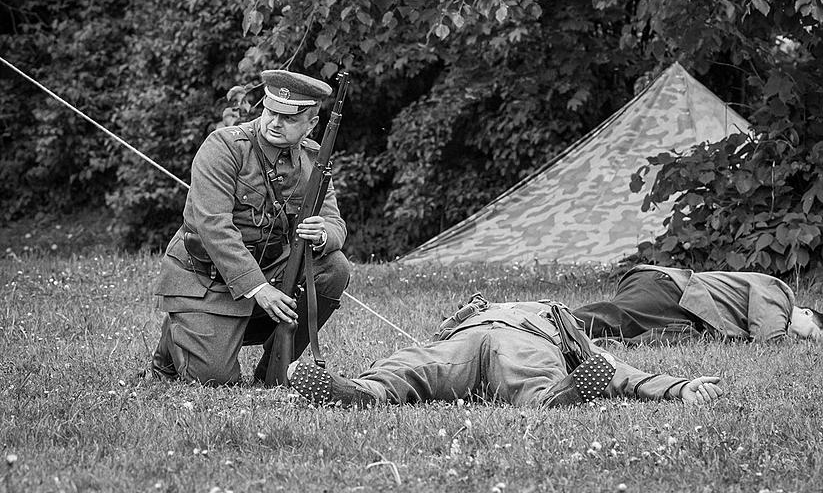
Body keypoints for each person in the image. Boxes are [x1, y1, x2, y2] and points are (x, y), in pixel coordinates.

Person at [148, 69, 350, 386]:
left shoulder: (312, 160)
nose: (274, 123)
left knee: (334, 267)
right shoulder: (224, 148)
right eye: (271, 111)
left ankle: (273, 371)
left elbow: (335, 221)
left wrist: (323, 233)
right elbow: (214, 228)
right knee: (214, 381)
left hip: (268, 270)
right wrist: (260, 289)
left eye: (288, 118)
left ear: (310, 124)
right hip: (208, 279)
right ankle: (180, 331)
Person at [286, 295, 723, 408]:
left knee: (528, 380)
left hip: (525, 345)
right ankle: (360, 392)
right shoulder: (473, 313)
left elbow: (620, 369)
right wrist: (465, 316)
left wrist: (678, 387)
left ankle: (561, 396)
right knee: (414, 364)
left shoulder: (559, 322)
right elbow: (438, 338)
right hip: (464, 342)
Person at [573, 264, 823, 346]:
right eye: (809, 335)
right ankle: (548, 320)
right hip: (669, 288)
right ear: (806, 312)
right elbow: (767, 337)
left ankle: (577, 339)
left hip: (685, 310)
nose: (801, 340)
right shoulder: (779, 294)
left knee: (630, 333)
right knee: (617, 318)